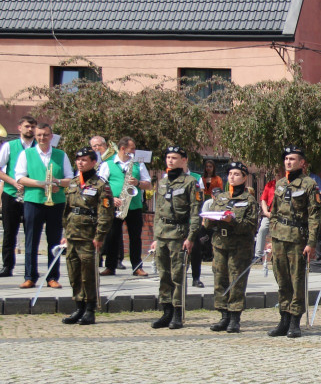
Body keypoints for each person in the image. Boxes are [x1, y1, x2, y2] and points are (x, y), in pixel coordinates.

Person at [267, 146, 321, 339]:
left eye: (293, 159)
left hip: (297, 239)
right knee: (281, 280)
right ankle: (283, 318)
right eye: (286, 159)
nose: (288, 162)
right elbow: (273, 213)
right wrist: (272, 236)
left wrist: (311, 242)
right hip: (279, 238)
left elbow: (314, 216)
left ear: (302, 163)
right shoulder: (280, 184)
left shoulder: (309, 184)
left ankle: (294, 321)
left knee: (297, 280)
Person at [200, 161, 259, 334]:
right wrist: (211, 219)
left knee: (236, 281)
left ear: (245, 178)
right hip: (220, 244)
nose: (232, 177)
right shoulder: (221, 198)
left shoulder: (249, 200)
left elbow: (250, 226)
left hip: (239, 247)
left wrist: (232, 221)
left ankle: (234, 318)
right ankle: (223, 315)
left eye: (237, 174)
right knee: (220, 280)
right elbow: (207, 223)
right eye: (230, 174)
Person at [149, 146, 202, 330]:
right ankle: (166, 311)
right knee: (163, 274)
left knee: (177, 275)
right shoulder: (163, 183)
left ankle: (178, 313)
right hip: (163, 233)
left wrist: (191, 237)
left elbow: (196, 213)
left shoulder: (190, 183)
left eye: (175, 157)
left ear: (184, 160)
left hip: (179, 234)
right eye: (168, 157)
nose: (170, 160)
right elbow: (158, 212)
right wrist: (156, 236)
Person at [15, 122, 74, 289]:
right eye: (39, 135)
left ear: (51, 136)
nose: (42, 138)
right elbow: (20, 177)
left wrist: (58, 182)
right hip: (34, 200)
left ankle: (52, 277)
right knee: (31, 240)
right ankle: (30, 276)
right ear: (35, 135)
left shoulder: (61, 154)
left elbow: (70, 178)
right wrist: (41, 183)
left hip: (56, 202)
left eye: (45, 135)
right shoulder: (26, 154)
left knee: (54, 241)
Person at [59, 147, 114, 325]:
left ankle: (90, 308)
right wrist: (65, 234)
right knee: (74, 273)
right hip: (73, 235)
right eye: (78, 160)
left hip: (89, 236)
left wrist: (99, 236)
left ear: (93, 162)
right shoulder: (74, 182)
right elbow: (67, 210)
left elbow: (105, 214)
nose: (80, 163)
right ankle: (78, 306)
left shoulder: (101, 185)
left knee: (88, 274)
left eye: (84, 160)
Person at [98, 137, 151, 277]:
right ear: (122, 148)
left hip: (134, 206)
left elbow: (149, 184)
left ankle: (137, 267)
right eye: (132, 149)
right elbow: (100, 185)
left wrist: (138, 183)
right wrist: (111, 198)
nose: (134, 151)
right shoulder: (108, 164)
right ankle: (110, 266)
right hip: (116, 205)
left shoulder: (138, 164)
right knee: (112, 236)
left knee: (135, 237)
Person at [0, 115, 37, 278]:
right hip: (12, 193)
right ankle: (7, 266)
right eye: (27, 126)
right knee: (9, 232)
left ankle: (31, 268)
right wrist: (13, 181)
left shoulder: (40, 147)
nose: (30, 129)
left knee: (32, 232)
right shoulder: (9, 146)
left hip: (33, 195)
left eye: (32, 126)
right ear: (19, 128)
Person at [254, 176, 277, 258]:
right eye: (277, 172)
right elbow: (263, 199)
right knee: (262, 229)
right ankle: (258, 255)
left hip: (281, 215)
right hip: (269, 214)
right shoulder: (270, 184)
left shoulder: (287, 184)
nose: (278, 174)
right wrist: (266, 212)